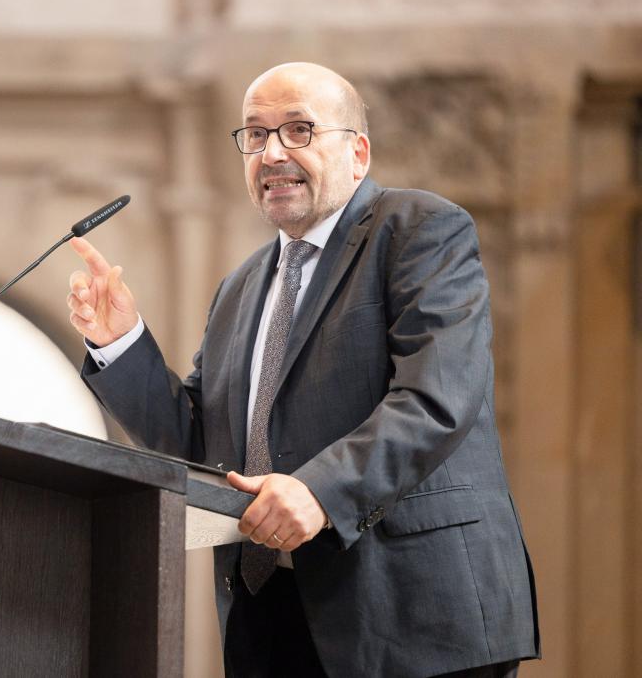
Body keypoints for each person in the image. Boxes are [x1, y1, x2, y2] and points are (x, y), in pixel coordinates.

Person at [66, 62, 539, 678]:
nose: (271, 153)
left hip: (413, 613)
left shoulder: (419, 230)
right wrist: (119, 342)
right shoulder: (240, 288)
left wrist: (320, 489)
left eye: (298, 130)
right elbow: (202, 449)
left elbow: (435, 398)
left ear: (358, 152)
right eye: (255, 135)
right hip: (272, 618)